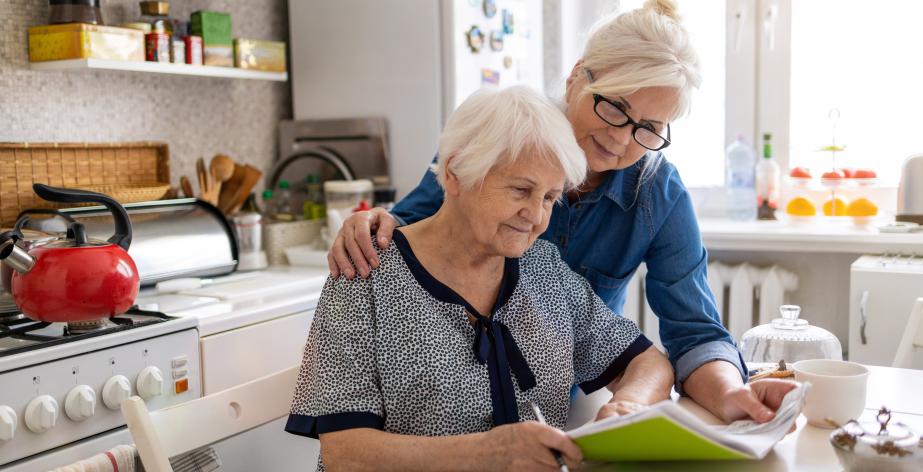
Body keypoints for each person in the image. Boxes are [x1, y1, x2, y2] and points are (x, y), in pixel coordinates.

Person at [326, 0, 797, 424]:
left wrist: (734, 394)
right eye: (615, 107)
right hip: (450, 407)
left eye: (648, 128)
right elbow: (409, 230)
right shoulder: (504, 137)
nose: (621, 139)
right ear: (577, 77)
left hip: (560, 404)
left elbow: (694, 332)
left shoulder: (658, 194)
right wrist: (372, 221)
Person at [286, 86, 674, 471]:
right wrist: (486, 455)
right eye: (521, 189)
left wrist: (629, 408)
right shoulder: (366, 272)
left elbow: (648, 363)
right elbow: (345, 454)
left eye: (549, 198)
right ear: (455, 173)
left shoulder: (544, 268)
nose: (537, 217)